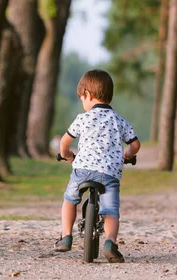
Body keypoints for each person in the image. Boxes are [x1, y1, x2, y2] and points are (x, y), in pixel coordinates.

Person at [53, 69, 141, 263]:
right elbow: (135, 145)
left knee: (70, 199)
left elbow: (65, 143)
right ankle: (110, 242)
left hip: (83, 169)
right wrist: (127, 155)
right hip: (110, 173)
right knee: (111, 209)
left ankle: (66, 236)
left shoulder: (82, 118)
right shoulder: (119, 120)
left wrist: (66, 156)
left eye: (82, 98)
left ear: (88, 95)